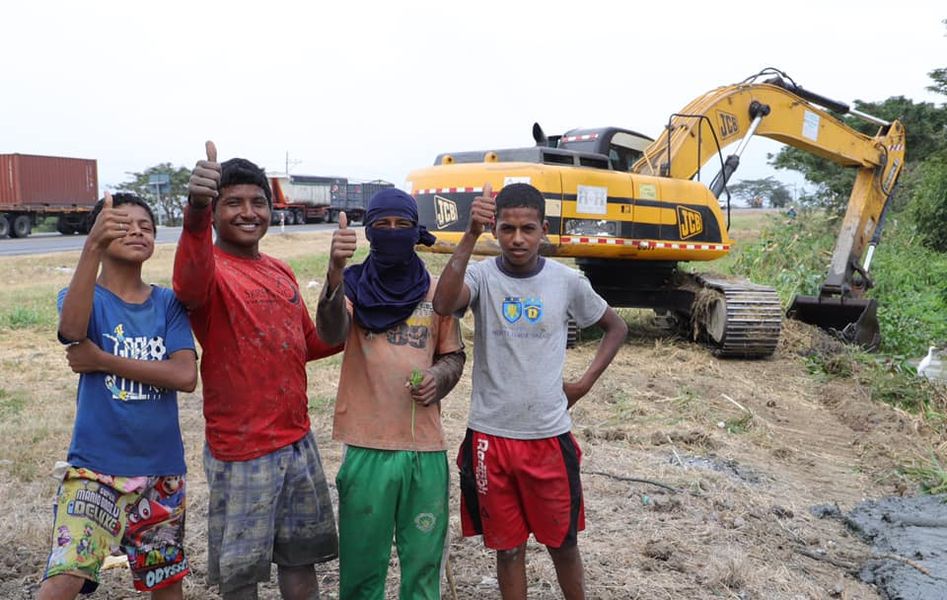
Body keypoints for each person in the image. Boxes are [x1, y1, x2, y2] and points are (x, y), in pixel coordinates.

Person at [432, 182, 628, 600]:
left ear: (544, 230)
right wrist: (469, 234)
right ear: (494, 230)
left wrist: (582, 384)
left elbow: (616, 327)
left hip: (547, 438)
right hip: (491, 438)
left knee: (563, 544)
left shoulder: (566, 281)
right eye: (506, 228)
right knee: (508, 549)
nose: (517, 239)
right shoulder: (482, 276)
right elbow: (443, 304)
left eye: (528, 229)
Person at [172, 142, 340, 600]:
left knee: (300, 559)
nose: (248, 212)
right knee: (241, 573)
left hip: (297, 439)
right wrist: (195, 211)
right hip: (241, 449)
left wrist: (352, 303)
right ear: (214, 212)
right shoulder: (211, 272)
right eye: (233, 203)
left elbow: (310, 344)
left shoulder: (281, 271)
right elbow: (188, 283)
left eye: (258, 202)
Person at [39, 192, 198, 600]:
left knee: (166, 583)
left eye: (146, 227)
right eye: (123, 225)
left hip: (162, 473)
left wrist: (102, 360)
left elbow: (185, 375)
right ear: (100, 233)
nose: (137, 232)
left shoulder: (167, 303)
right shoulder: (82, 296)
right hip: (96, 470)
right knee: (64, 578)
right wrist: (91, 246)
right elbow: (72, 332)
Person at [316, 189, 466, 600]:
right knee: (362, 569)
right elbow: (330, 333)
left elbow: (454, 356)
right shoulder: (353, 287)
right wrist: (334, 272)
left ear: (416, 231)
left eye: (403, 225)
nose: (393, 232)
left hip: (425, 451)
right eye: (382, 225)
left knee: (422, 568)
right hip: (368, 448)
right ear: (368, 232)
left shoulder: (436, 292)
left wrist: (439, 377)